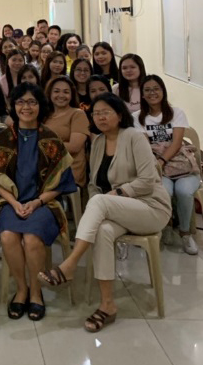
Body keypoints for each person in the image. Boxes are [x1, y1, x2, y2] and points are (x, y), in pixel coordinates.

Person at [38, 93, 171, 333]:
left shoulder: (134, 137)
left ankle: (69, 265)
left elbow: (147, 182)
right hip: (118, 210)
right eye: (96, 113)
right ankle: (107, 304)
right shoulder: (98, 142)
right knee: (103, 231)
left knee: (99, 201)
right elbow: (93, 185)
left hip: (151, 207)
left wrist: (114, 195)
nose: (100, 117)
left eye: (105, 112)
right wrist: (107, 199)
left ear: (119, 115)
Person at [0, 82, 76, 322]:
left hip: (45, 204)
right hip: (9, 202)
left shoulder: (51, 139)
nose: (26, 107)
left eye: (32, 102)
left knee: (32, 238)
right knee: (8, 235)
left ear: (40, 106)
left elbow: (60, 184)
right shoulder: (5, 137)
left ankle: (36, 292)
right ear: (13, 107)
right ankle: (22, 289)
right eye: (21, 102)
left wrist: (36, 203)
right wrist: (15, 204)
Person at [133, 75, 199, 255]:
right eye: (147, 90)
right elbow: (144, 146)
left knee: (184, 192)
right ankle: (166, 226)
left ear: (163, 91)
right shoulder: (137, 118)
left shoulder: (177, 113)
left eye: (156, 88)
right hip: (155, 167)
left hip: (181, 166)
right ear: (143, 95)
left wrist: (161, 161)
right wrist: (156, 165)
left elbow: (177, 143)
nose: (152, 93)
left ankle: (185, 233)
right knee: (165, 192)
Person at [44, 77, 90, 188]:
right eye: (56, 91)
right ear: (49, 93)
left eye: (66, 92)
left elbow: (74, 147)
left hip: (68, 172)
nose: (61, 95)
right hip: (45, 170)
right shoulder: (44, 115)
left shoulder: (77, 114)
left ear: (71, 95)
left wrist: (42, 145)